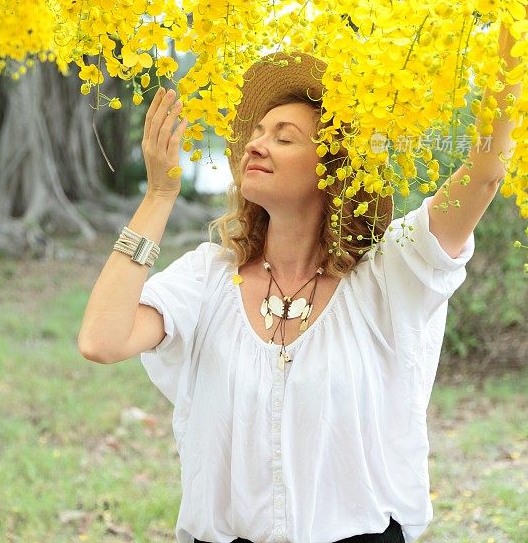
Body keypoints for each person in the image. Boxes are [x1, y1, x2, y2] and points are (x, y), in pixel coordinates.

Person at [78, 31, 520, 543]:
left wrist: (509, 17)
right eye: (258, 133)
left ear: (331, 170)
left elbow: (486, 172)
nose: (257, 144)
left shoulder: (389, 276)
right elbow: (100, 340)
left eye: (284, 137)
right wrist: (159, 194)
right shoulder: (207, 276)